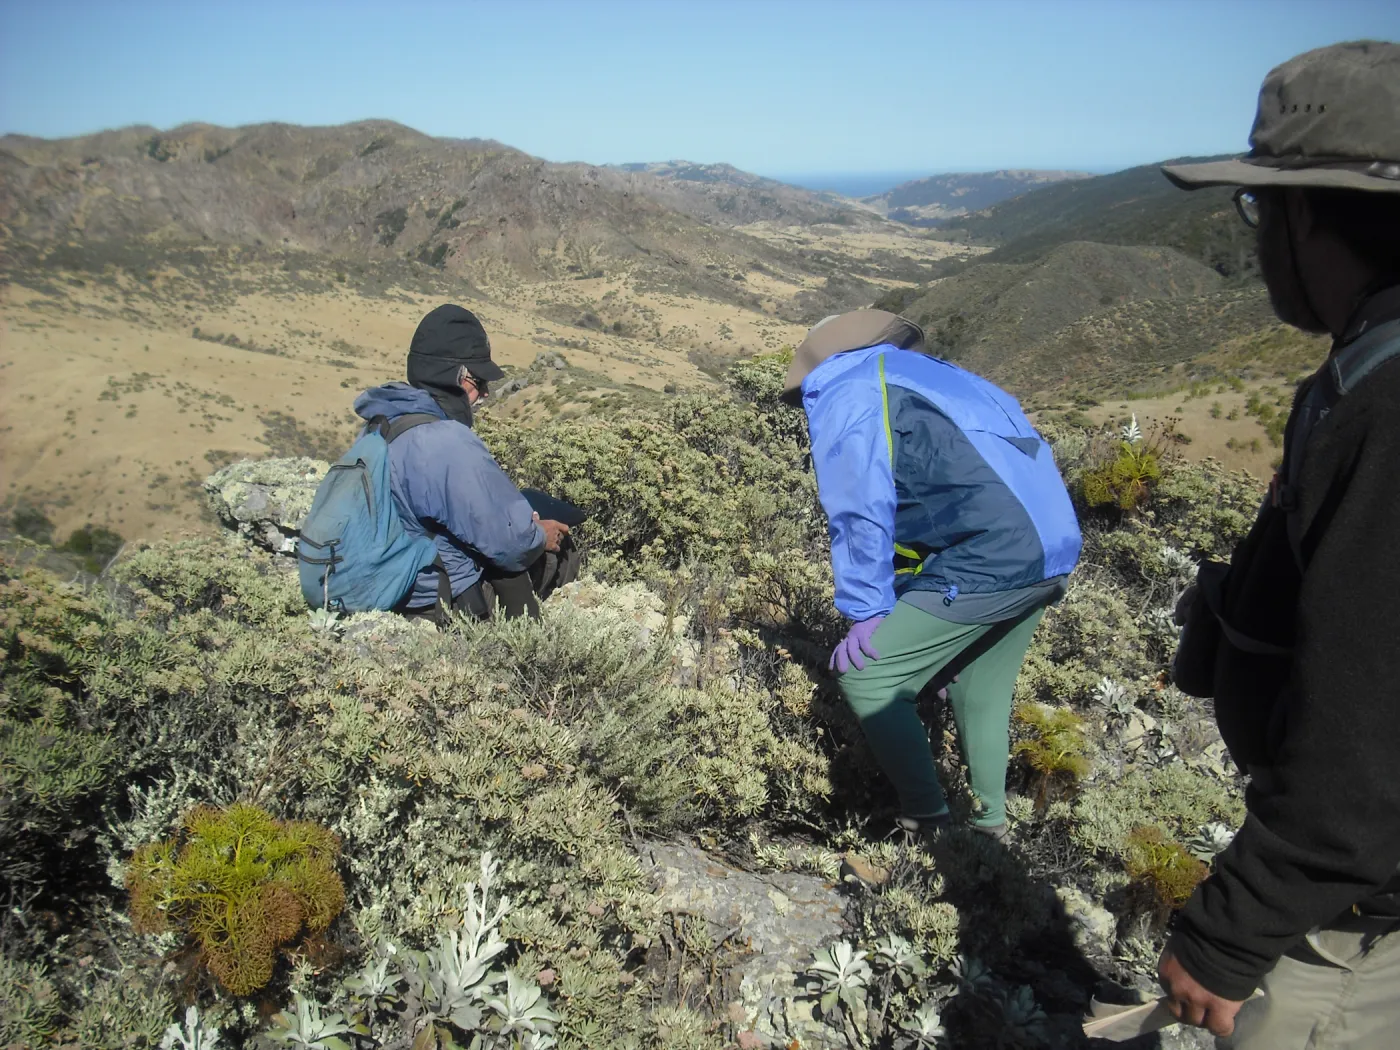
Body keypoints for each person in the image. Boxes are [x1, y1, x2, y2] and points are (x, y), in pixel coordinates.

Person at [1155, 41, 1400, 1047]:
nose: (1254, 237)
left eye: (1259, 207)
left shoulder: (1385, 406)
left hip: (1353, 924)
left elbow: (1371, 720)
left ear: (1302, 211)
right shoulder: (1364, 370)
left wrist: (1230, 929)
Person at [781, 310, 1082, 840]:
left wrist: (868, 610)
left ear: (815, 370)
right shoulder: (941, 376)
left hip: (994, 550)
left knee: (869, 676)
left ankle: (930, 826)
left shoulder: (845, 387)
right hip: (1051, 545)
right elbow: (942, 494)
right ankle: (989, 828)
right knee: (978, 687)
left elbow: (860, 504)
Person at [352, 303, 579, 620]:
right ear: (452, 378)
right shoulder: (445, 440)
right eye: (478, 381)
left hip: (385, 584)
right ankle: (530, 648)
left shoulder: (383, 423)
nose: (485, 393)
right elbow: (509, 544)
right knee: (559, 551)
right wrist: (541, 534)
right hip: (431, 599)